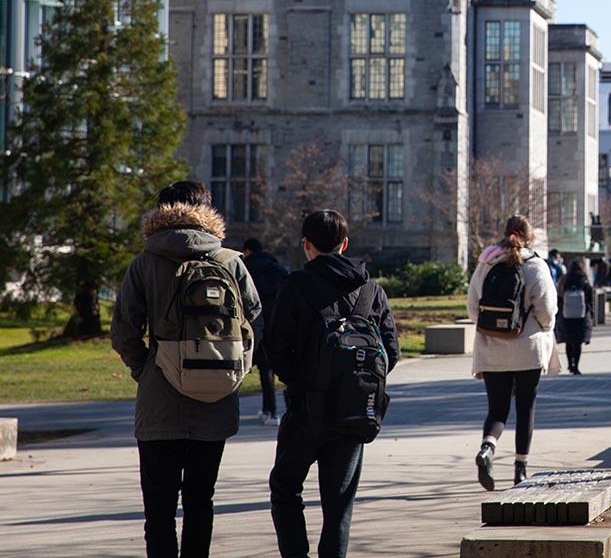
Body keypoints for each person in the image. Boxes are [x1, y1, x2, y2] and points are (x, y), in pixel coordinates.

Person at [111, 180, 262, 558]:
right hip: (217, 397)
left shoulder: (144, 263)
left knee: (159, 510)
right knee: (200, 502)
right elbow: (255, 320)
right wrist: (236, 365)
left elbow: (124, 332)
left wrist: (146, 368)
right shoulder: (230, 261)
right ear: (207, 212)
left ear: (161, 212)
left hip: (159, 400)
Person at [266, 209, 400, 558]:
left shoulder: (295, 285)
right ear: (345, 243)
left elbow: (276, 349)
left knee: (285, 487)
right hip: (356, 411)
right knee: (339, 504)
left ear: (306, 244)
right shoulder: (372, 292)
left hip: (306, 409)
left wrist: (300, 378)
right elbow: (391, 353)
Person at [469, 215, 558, 489]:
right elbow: (547, 310)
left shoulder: (486, 263)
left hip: (491, 348)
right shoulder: (536, 266)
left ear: (504, 233)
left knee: (497, 409)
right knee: (525, 408)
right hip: (527, 349)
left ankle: (487, 449)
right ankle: (520, 469)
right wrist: (543, 327)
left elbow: (473, 306)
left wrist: (490, 328)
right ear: (529, 237)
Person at [242, 237, 289, 426]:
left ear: (248, 251)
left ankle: (269, 410)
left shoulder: (246, 268)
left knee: (262, 369)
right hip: (278, 323)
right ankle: (275, 411)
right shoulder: (276, 267)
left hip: (256, 324)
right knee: (277, 368)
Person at [555, 260, 594, 375]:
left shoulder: (564, 279)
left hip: (566, 314)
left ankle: (569, 365)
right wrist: (590, 314)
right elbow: (590, 298)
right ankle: (576, 366)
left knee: (569, 341)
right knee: (577, 342)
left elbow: (558, 296)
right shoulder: (584, 280)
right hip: (581, 315)